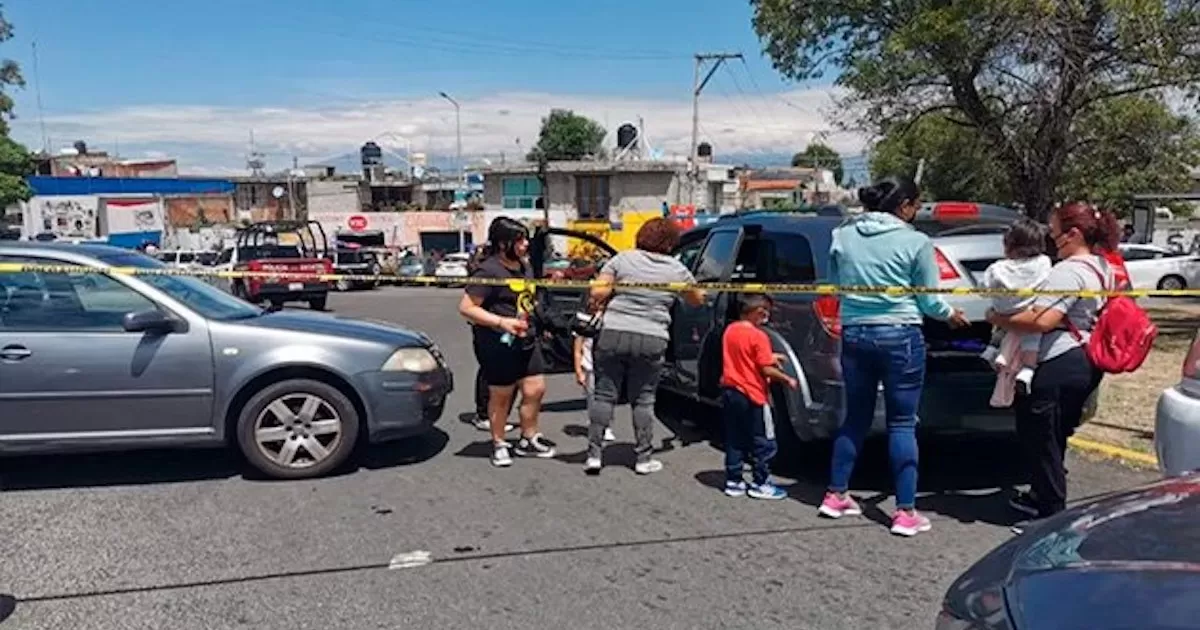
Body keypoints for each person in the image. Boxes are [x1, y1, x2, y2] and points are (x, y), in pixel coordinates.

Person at [818, 176, 969, 537]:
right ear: (904, 206)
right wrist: (952, 315)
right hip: (901, 334)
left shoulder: (843, 235)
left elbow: (832, 285)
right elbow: (928, 299)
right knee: (902, 422)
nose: (916, 213)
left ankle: (836, 494)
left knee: (855, 416)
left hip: (855, 332)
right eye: (916, 206)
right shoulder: (916, 241)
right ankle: (904, 512)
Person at [988, 202, 1118, 521]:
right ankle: (1041, 498)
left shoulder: (1069, 271)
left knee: (1040, 438)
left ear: (1072, 234)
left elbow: (1042, 320)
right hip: (1084, 359)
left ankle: (1050, 515)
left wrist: (996, 317)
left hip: (1058, 361)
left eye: (1054, 231)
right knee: (1056, 436)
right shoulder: (1103, 267)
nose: (1051, 237)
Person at [586, 218, 706, 475]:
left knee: (604, 394)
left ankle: (594, 455)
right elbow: (697, 300)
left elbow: (597, 293)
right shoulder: (678, 269)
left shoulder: (622, 260)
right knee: (643, 399)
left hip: (614, 331)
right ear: (672, 242)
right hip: (653, 335)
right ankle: (643, 458)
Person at [458, 217, 555, 467]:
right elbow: (467, 308)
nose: (525, 245)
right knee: (501, 395)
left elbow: (527, 299)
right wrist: (501, 322)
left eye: (525, 239)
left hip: (527, 338)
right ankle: (499, 442)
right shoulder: (488, 271)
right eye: (519, 240)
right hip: (497, 343)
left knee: (535, 389)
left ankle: (528, 437)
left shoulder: (524, 266)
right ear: (503, 244)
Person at [719, 293, 798, 500]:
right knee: (763, 440)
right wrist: (786, 379)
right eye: (765, 312)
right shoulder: (759, 336)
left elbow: (745, 355)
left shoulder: (730, 330)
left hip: (730, 390)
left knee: (735, 437)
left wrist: (770, 356)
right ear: (757, 312)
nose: (767, 316)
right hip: (753, 394)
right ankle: (761, 482)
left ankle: (733, 480)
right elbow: (765, 369)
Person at [979, 219, 1053, 405]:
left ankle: (992, 349)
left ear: (1008, 245)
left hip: (1003, 311)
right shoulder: (1044, 262)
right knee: (1032, 337)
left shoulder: (997, 268)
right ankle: (1027, 370)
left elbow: (983, 289)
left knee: (1000, 327)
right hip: (1028, 311)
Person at [465, 242, 514, 433]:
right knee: (488, 373)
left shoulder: (506, 269)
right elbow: (471, 305)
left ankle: (497, 414)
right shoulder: (485, 272)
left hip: (503, 329)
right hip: (486, 329)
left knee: (503, 374)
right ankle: (483, 414)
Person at [573, 331, 615, 443]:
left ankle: (606, 425)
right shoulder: (584, 326)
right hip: (590, 368)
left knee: (608, 397)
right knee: (592, 399)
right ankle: (596, 425)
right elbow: (577, 350)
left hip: (608, 367)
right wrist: (578, 372)